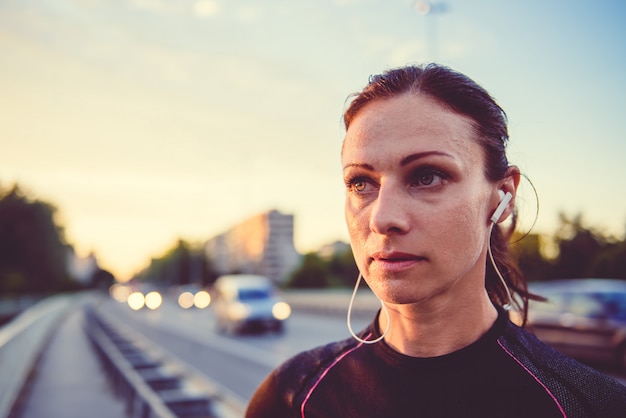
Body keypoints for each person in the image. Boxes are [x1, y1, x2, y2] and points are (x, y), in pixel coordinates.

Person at [245, 63, 626, 418]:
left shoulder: (589, 405)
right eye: (361, 183)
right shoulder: (292, 398)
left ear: (502, 195)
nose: (381, 217)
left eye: (427, 176)